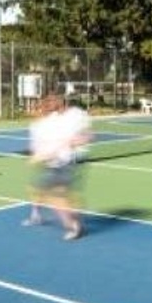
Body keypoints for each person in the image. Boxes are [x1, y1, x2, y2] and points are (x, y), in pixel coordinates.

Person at [24, 93, 92, 240]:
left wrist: (78, 140)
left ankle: (74, 226)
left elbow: (81, 138)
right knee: (52, 195)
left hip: (64, 163)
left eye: (48, 103)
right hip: (53, 164)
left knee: (57, 198)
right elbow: (42, 144)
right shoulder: (46, 122)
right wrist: (38, 155)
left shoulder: (60, 120)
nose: (43, 107)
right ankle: (72, 219)